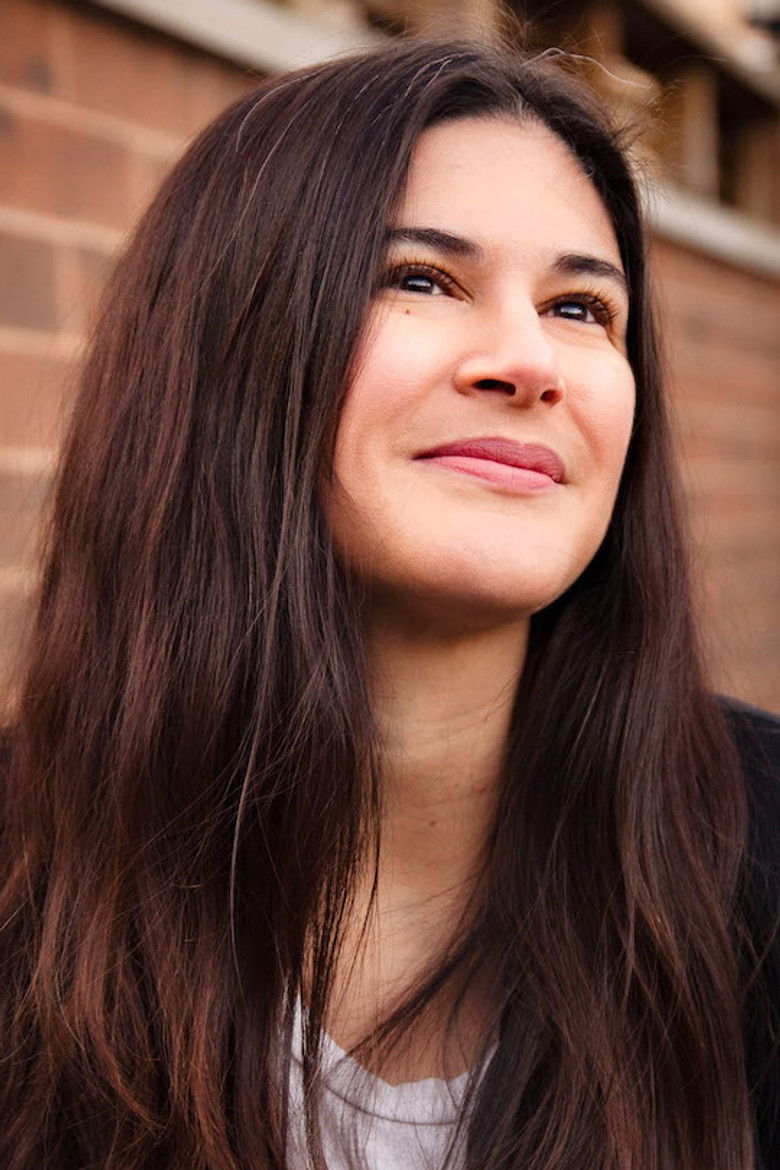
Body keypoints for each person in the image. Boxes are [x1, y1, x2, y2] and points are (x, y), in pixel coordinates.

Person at [0, 36, 777, 1170]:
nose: (528, 360)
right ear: (230, 348)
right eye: (420, 279)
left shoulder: (757, 858)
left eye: (580, 308)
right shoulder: (28, 882)